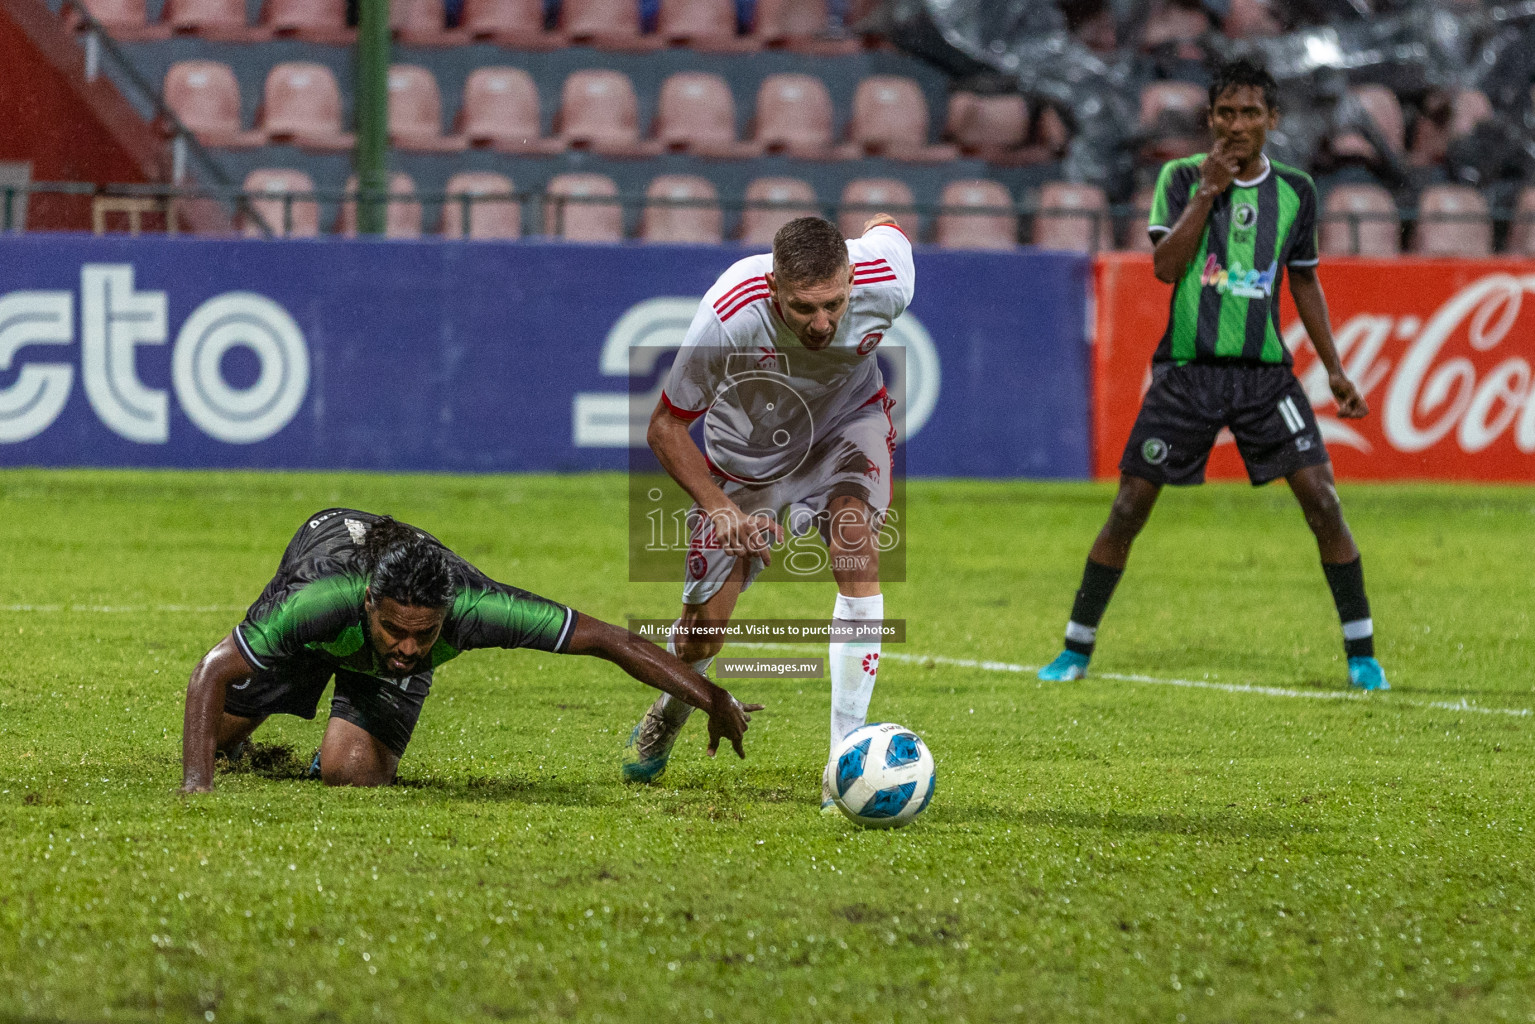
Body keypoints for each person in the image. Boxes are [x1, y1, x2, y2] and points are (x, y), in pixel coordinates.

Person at [1038, 58, 1389, 691]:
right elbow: (1167, 268)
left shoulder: (1297, 191)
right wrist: (1208, 191)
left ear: (1271, 120)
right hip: (1187, 374)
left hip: (1265, 379)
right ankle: (1074, 649)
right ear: (1209, 119)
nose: (1236, 124)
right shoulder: (1178, 178)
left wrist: (1335, 370)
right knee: (1128, 508)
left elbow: (1303, 280)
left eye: (1250, 112)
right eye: (1225, 112)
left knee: (1325, 503)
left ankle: (1363, 657)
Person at [622, 214, 914, 812]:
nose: (823, 323)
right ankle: (675, 706)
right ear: (774, 286)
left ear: (852, 279)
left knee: (855, 543)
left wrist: (874, 223)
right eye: (804, 309)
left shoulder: (886, 279)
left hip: (845, 425)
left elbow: (888, 226)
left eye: (834, 304)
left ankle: (843, 767)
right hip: (749, 453)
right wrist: (720, 507)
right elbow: (665, 427)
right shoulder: (729, 314)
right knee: (701, 633)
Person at [180, 509, 761, 792]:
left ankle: (338, 739)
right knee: (215, 738)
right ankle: (270, 713)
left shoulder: (475, 609)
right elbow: (209, 673)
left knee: (351, 774)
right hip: (318, 578)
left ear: (445, 619)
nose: (408, 648)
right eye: (394, 630)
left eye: (424, 635)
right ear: (368, 606)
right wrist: (196, 790)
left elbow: (609, 640)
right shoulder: (317, 600)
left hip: (367, 616)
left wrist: (710, 696)